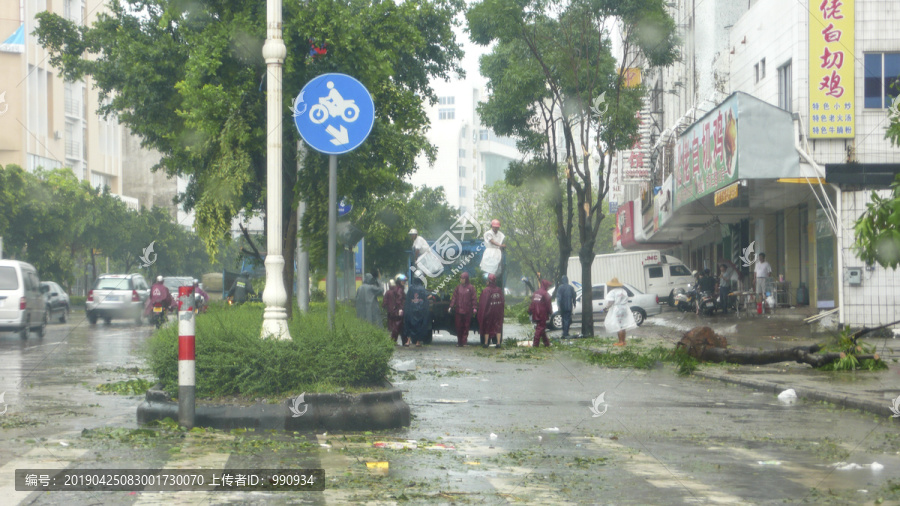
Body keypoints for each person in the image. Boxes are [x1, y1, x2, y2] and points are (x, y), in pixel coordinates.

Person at [603, 277, 637, 346]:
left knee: (618, 326)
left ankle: (620, 342)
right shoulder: (623, 291)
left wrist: (606, 308)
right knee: (623, 325)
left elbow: (610, 302)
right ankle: (623, 341)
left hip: (617, 309)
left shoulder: (612, 292)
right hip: (624, 308)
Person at [449, 272, 477, 347]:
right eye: (461, 278)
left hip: (467, 311)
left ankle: (464, 342)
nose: (461, 280)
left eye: (463, 278)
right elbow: (454, 297)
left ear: (466, 279)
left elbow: (474, 298)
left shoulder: (471, 288)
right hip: (459, 310)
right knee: (458, 326)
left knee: (466, 326)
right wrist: (451, 306)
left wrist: (474, 307)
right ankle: (459, 341)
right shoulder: (458, 288)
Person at [478, 273, 505, 347]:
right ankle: (498, 343)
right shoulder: (499, 290)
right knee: (498, 327)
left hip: (489, 313)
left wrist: (482, 313)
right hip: (498, 313)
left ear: (489, 281)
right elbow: (502, 302)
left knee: (487, 327)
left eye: (487, 280)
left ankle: (486, 343)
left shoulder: (486, 290)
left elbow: (483, 303)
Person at [404, 277, 431, 347]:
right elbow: (426, 299)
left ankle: (408, 341)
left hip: (411, 310)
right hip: (420, 311)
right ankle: (417, 342)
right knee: (419, 326)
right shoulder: (422, 289)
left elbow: (407, 299)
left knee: (410, 325)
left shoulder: (411, 288)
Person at [528, 279, 553, 348]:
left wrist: (530, 311)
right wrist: (550, 312)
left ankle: (546, 343)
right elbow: (548, 305)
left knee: (541, 328)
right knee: (540, 328)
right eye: (548, 286)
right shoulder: (546, 294)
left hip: (535, 313)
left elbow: (532, 303)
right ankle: (535, 344)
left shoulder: (536, 293)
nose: (548, 287)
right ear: (546, 286)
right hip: (542, 313)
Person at [383, 274, 406, 345]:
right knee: (398, 325)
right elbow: (399, 300)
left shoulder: (398, 289)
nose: (403, 282)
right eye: (402, 281)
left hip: (395, 311)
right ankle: (394, 341)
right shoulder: (399, 289)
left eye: (404, 281)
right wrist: (401, 309)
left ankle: (404, 341)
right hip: (398, 311)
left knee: (401, 326)